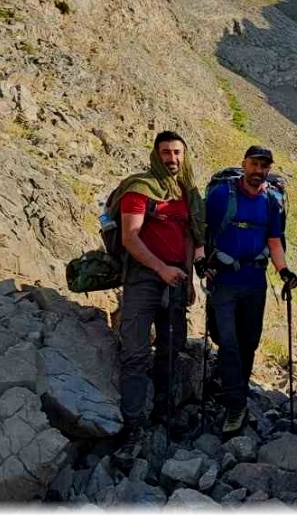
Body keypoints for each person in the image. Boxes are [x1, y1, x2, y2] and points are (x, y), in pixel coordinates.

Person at [113, 130, 206, 469]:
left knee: (171, 348)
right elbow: (130, 237)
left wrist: (188, 277)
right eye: (166, 152)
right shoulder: (140, 189)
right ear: (156, 154)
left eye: (177, 152)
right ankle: (134, 425)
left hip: (177, 280)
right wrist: (161, 268)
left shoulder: (185, 192)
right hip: (143, 279)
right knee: (135, 351)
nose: (172, 158)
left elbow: (186, 236)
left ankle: (166, 413)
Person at [199, 146, 297, 437]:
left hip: (255, 281)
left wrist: (284, 272)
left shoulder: (271, 201)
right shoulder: (221, 195)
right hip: (224, 279)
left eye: (264, 166)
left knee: (249, 342)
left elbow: (274, 240)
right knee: (226, 340)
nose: (259, 171)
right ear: (244, 164)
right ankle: (235, 404)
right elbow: (200, 229)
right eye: (254, 164)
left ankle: (237, 392)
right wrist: (199, 260)